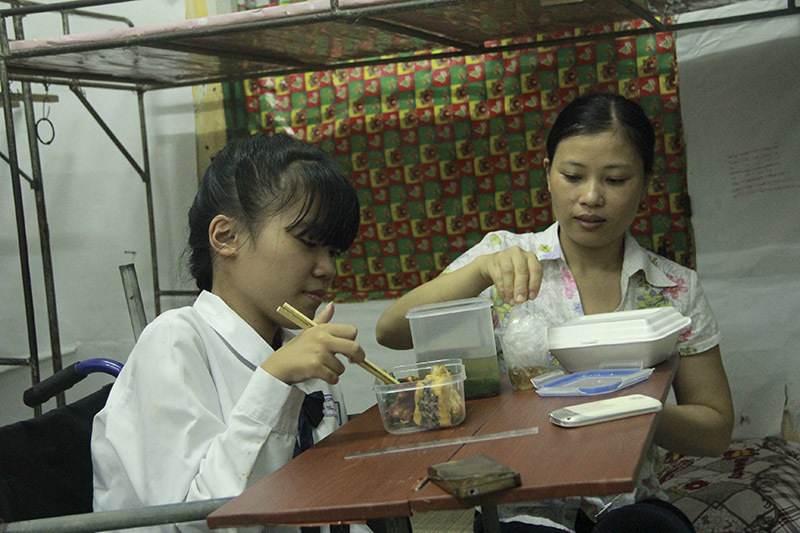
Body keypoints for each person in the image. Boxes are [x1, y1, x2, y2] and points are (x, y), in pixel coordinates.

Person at [376, 92, 734, 532]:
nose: (591, 197)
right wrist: (480, 272)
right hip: (518, 503)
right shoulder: (501, 261)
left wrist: (623, 404)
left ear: (646, 183)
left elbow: (715, 430)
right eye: (573, 175)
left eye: (616, 180)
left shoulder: (675, 288)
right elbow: (390, 332)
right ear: (547, 174)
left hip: (630, 504)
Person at [92, 132, 371, 533]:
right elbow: (196, 522)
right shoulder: (174, 342)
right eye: (308, 243)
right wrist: (273, 382)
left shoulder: (299, 353)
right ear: (227, 237)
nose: (327, 268)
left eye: (334, 252)